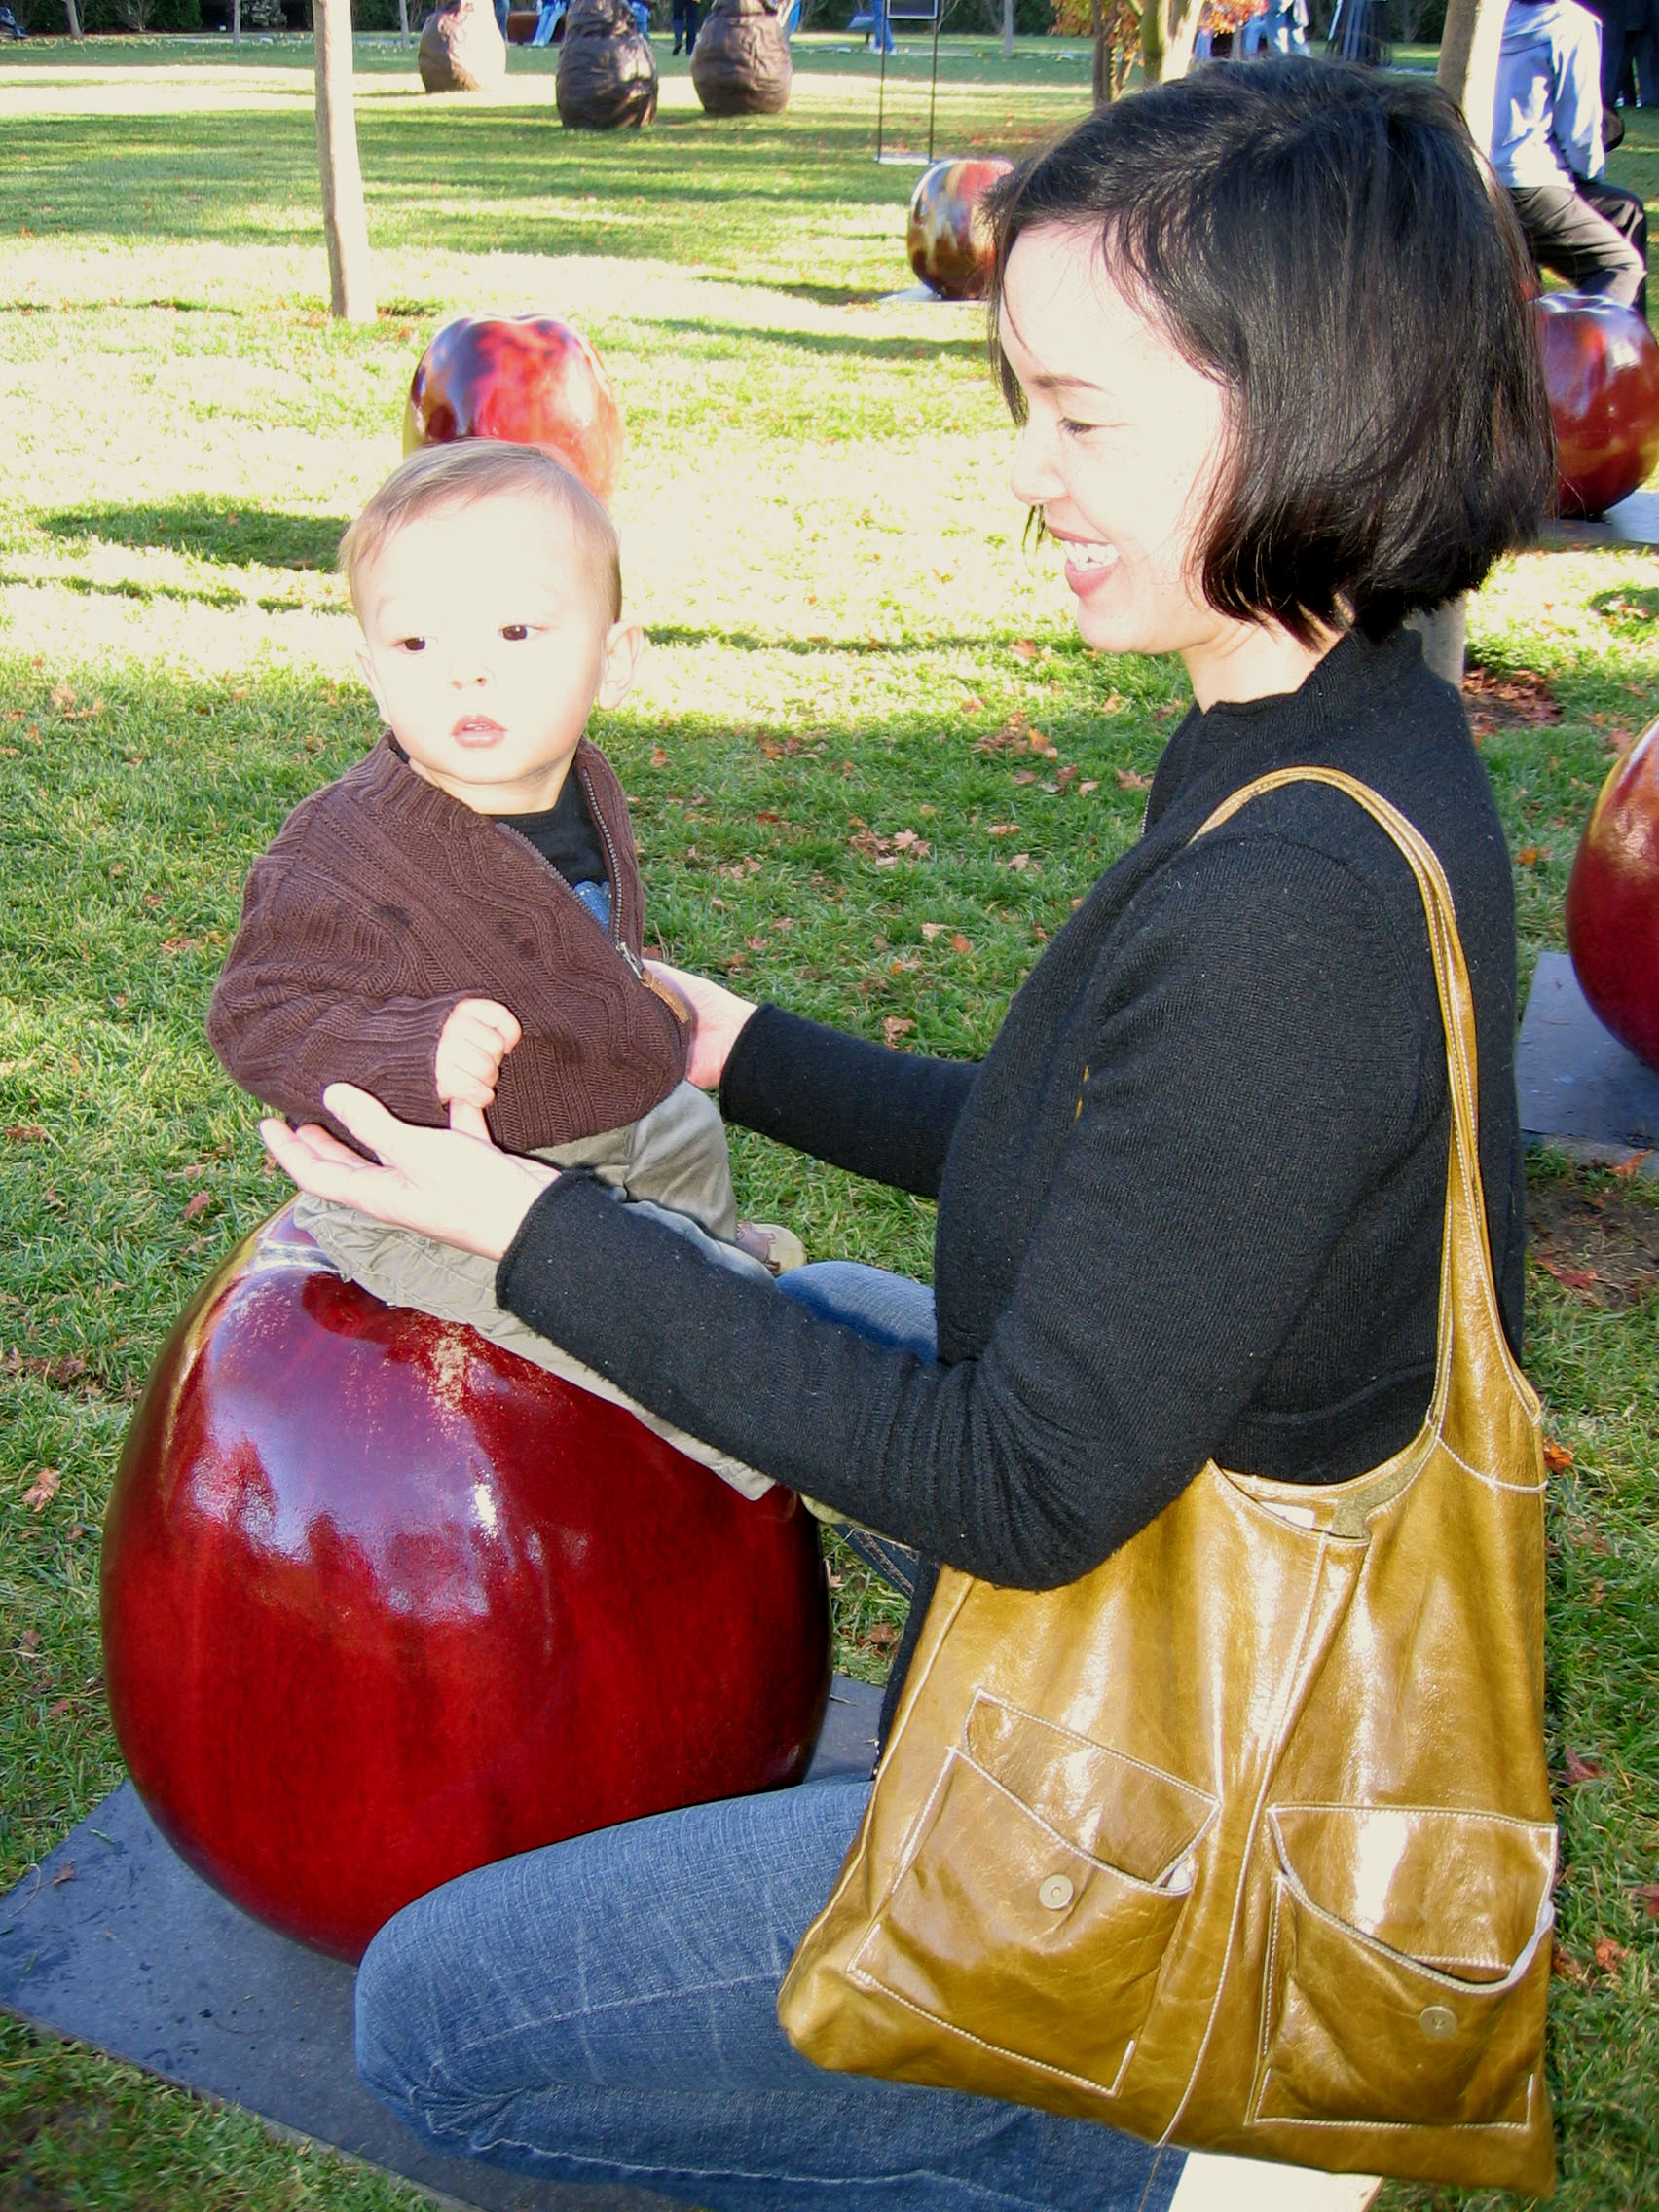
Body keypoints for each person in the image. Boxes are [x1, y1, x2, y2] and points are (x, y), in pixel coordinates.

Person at [262, 60, 1552, 2212]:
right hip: (1176, 1529)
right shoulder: (1330, 728)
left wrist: (529, 1227)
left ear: (1309, 406)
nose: (1027, 469)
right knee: (840, 1308)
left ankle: (1146, 2137)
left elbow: (1016, 1492)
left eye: (1082, 415)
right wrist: (733, 1048)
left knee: (438, 2024)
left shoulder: (1288, 905)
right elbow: (1100, 1157)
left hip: (1176, 1776)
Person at [209, 444, 802, 1476]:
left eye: (516, 631)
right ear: (371, 669)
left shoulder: (581, 783)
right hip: (436, 1188)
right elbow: (257, 1015)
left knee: (685, 1132)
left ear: (613, 659)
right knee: (596, 1312)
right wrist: (413, 1048)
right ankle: (755, 1434)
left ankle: (712, 1260)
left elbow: (575, 932)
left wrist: (635, 1002)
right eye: (415, 639)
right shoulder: (342, 851)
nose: (465, 670)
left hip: (601, 1109)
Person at [1493, 0, 1648, 313]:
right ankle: (1581, 340)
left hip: (1475, 181)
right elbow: (1579, 136)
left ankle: (1634, 338)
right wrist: (1591, 172)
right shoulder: (1570, 23)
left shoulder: (1494, 21)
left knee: (1625, 210)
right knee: (1622, 267)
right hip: (1528, 185)